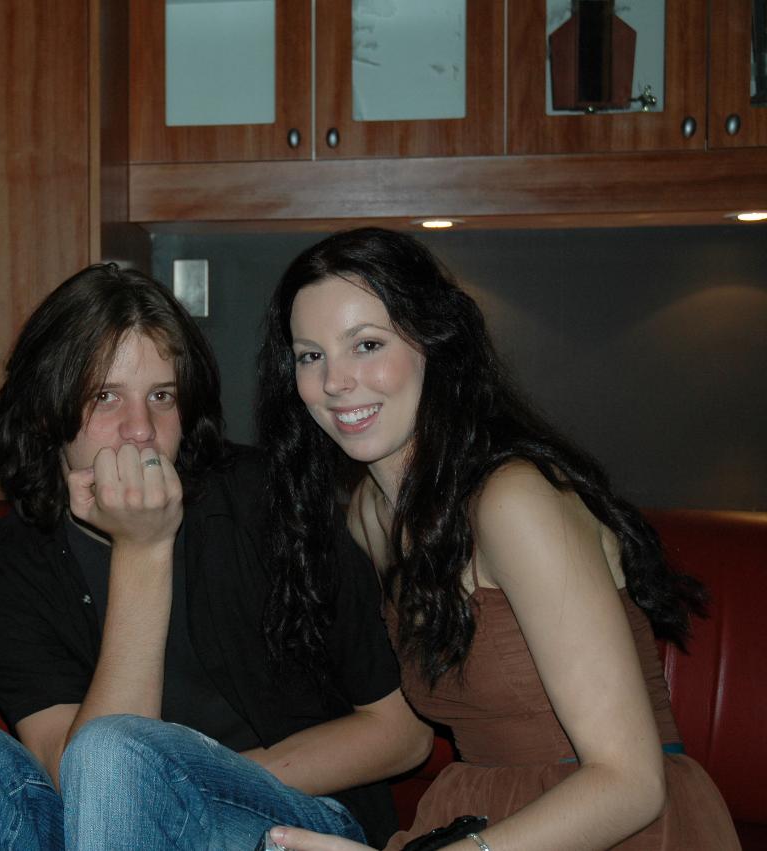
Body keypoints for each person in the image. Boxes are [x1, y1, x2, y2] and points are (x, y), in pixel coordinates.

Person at [0, 263, 431, 850]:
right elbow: (69, 773)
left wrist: (184, 782)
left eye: (161, 396)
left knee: (117, 756)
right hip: (95, 815)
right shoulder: (7, 564)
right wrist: (141, 550)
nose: (140, 430)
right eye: (104, 396)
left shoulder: (270, 499)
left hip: (286, 818)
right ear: (47, 412)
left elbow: (402, 732)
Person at [255, 228, 739, 851]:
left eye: (367, 345)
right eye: (309, 355)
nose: (336, 382)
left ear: (435, 344)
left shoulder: (511, 499)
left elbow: (631, 783)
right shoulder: (370, 518)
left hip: (613, 827)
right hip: (473, 820)